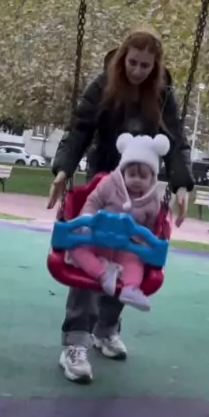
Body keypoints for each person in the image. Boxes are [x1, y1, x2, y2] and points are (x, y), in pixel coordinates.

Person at [47, 28, 194, 384]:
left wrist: (182, 184)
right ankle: (76, 342)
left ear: (155, 66)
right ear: (123, 57)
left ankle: (106, 328)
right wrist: (64, 169)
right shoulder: (102, 86)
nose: (138, 70)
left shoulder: (162, 94)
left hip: (142, 185)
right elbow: (79, 129)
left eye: (146, 65)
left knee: (130, 254)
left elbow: (175, 139)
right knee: (93, 249)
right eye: (133, 62)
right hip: (103, 179)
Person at [67, 132, 170, 312]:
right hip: (97, 239)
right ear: (123, 172)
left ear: (152, 177)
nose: (137, 180)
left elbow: (151, 226)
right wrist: (87, 221)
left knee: (135, 262)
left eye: (143, 176)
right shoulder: (109, 184)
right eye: (132, 174)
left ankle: (130, 289)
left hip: (127, 246)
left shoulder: (152, 200)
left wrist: (144, 243)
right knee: (75, 248)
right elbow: (93, 202)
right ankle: (102, 273)